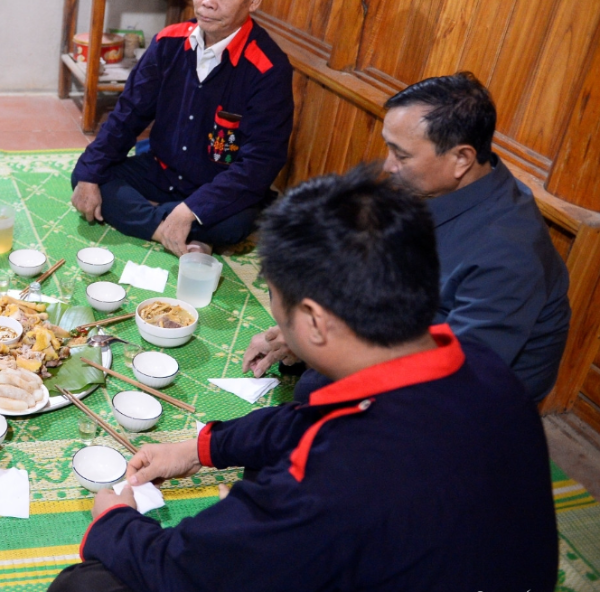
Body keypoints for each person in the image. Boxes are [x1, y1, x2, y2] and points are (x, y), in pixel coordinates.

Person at [50, 166, 558, 592]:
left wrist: (112, 522)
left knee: (87, 583)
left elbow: (180, 568)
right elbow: (309, 420)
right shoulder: (479, 363)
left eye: (272, 293)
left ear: (313, 319)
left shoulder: (329, 482)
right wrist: (202, 448)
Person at [244, 73, 571, 403]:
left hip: (469, 398)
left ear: (462, 158)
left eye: (401, 155)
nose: (388, 165)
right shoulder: (450, 186)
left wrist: (328, 342)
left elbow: (461, 373)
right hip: (416, 334)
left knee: (317, 393)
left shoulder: (509, 253)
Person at [70, 0, 294, 256]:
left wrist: (192, 209)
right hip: (162, 169)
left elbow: (260, 162)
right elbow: (128, 114)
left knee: (233, 225)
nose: (208, 2)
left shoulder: (268, 68)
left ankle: (166, 220)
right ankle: (166, 229)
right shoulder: (168, 42)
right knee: (88, 177)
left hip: (216, 184)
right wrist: (90, 174)